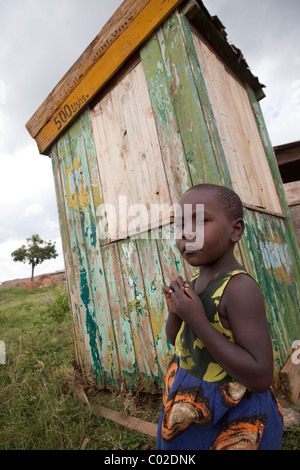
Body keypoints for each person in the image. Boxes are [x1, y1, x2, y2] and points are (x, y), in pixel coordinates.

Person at [156, 183, 283, 450]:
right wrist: (176, 313)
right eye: (179, 225)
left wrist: (198, 321)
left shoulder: (239, 289)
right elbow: (177, 341)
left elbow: (260, 377)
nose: (187, 233)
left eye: (201, 221)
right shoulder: (195, 281)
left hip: (232, 413)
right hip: (190, 400)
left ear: (235, 230)